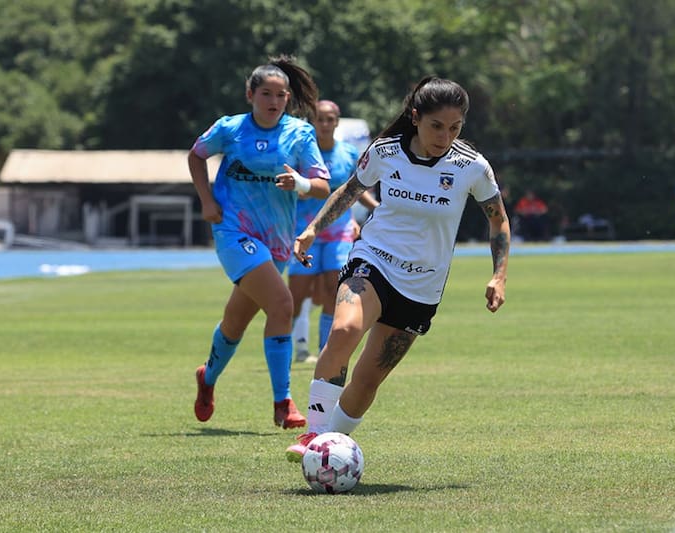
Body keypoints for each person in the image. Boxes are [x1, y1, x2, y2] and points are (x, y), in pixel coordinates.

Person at [284, 76, 510, 462]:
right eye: (437, 126)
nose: (445, 136)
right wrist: (312, 230)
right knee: (343, 329)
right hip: (373, 260)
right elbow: (351, 190)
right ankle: (315, 436)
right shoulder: (386, 152)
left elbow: (498, 219)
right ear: (416, 117)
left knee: (369, 379)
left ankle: (327, 450)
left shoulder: (471, 166)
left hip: (422, 286)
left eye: (455, 128)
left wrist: (498, 274)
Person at [187, 55, 331, 429]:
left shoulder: (299, 133)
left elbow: (322, 186)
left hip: (277, 241)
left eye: (280, 95)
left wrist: (299, 184)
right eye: (266, 93)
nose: (273, 100)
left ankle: (208, 378)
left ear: (287, 99)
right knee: (282, 305)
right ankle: (283, 403)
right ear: (250, 94)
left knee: (235, 323)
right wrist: (206, 199)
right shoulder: (230, 129)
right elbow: (196, 155)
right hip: (234, 232)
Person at [289, 100, 379, 364]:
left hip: (339, 232)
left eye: (330, 119)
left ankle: (324, 349)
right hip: (305, 231)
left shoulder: (349, 154)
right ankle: (291, 347)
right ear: (312, 122)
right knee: (297, 294)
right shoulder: (301, 153)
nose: (325, 124)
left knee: (333, 289)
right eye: (320, 119)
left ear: (337, 122)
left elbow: (354, 190)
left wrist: (378, 208)